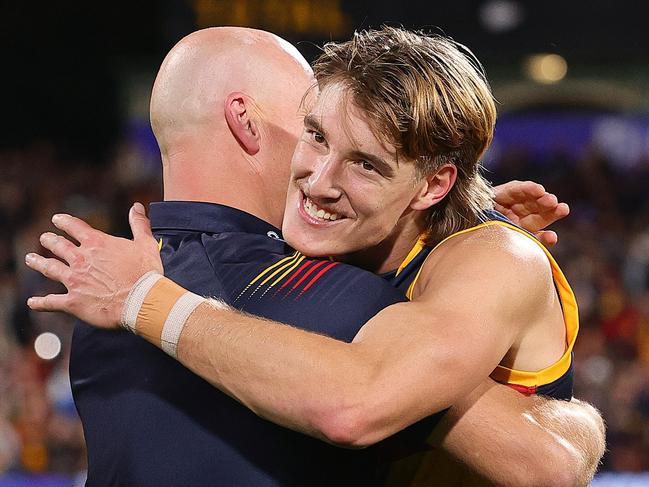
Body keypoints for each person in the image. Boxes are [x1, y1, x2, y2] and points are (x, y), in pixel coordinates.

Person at [26, 27, 604, 486]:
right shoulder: (359, 274)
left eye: (366, 164)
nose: (317, 180)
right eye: (316, 135)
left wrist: (149, 301)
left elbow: (546, 464)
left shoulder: (488, 258)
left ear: (432, 187)